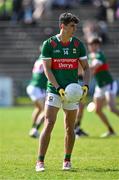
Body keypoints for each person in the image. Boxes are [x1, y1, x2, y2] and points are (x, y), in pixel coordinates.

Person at [35, 12, 90, 172]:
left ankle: (67, 160)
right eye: (72, 26)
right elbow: (47, 70)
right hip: (54, 90)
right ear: (62, 26)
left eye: (75, 26)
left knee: (69, 127)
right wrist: (58, 88)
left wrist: (85, 86)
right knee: (49, 122)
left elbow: (86, 68)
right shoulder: (49, 44)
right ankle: (40, 162)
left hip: (72, 92)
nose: (74, 29)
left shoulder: (78, 45)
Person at [87, 34, 119, 137]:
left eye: (94, 45)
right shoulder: (89, 56)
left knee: (112, 108)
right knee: (98, 110)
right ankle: (111, 130)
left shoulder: (100, 55)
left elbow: (93, 67)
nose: (92, 46)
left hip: (108, 84)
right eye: (90, 45)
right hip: (100, 86)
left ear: (97, 46)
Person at [26, 56, 47, 138]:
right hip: (39, 87)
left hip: (32, 86)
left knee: (38, 109)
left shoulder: (38, 59)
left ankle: (33, 128)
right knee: (46, 111)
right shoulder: (46, 59)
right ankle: (35, 129)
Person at [74, 63, 89, 138]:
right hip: (74, 85)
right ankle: (74, 130)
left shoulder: (81, 59)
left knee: (81, 109)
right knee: (78, 109)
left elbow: (84, 71)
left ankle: (77, 128)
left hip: (80, 85)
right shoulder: (73, 59)